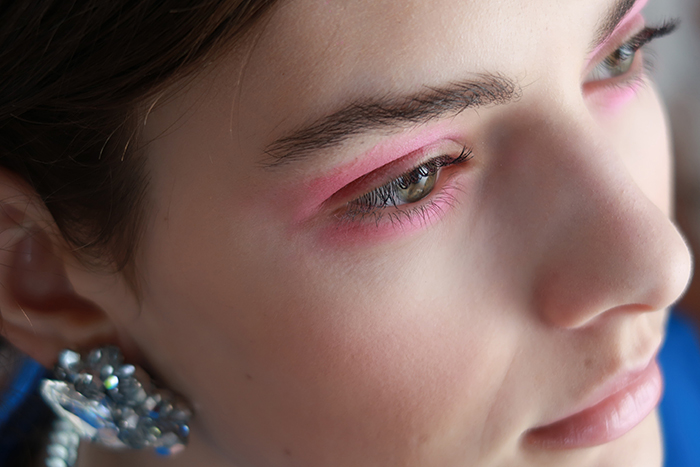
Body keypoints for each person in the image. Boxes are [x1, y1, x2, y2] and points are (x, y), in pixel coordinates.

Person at [0, 0, 695, 466]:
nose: (661, 265)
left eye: (619, 56)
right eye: (412, 178)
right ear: (44, 275)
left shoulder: (659, 383)